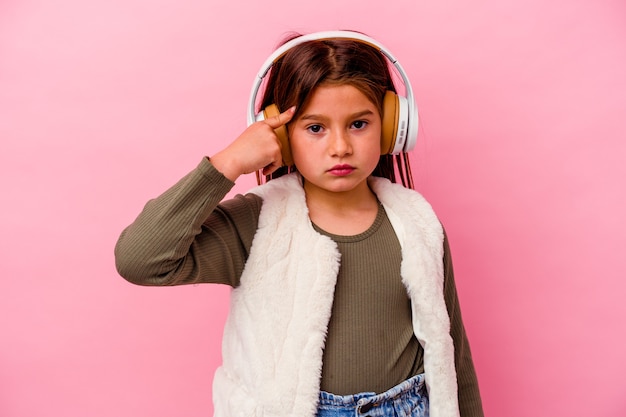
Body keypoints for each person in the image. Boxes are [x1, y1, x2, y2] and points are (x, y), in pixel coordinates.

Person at [115, 31, 484, 417]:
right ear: (282, 138)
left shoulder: (417, 222)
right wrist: (228, 164)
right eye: (315, 128)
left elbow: (451, 356)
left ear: (392, 127)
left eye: (359, 124)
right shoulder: (256, 224)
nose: (340, 146)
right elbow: (139, 259)